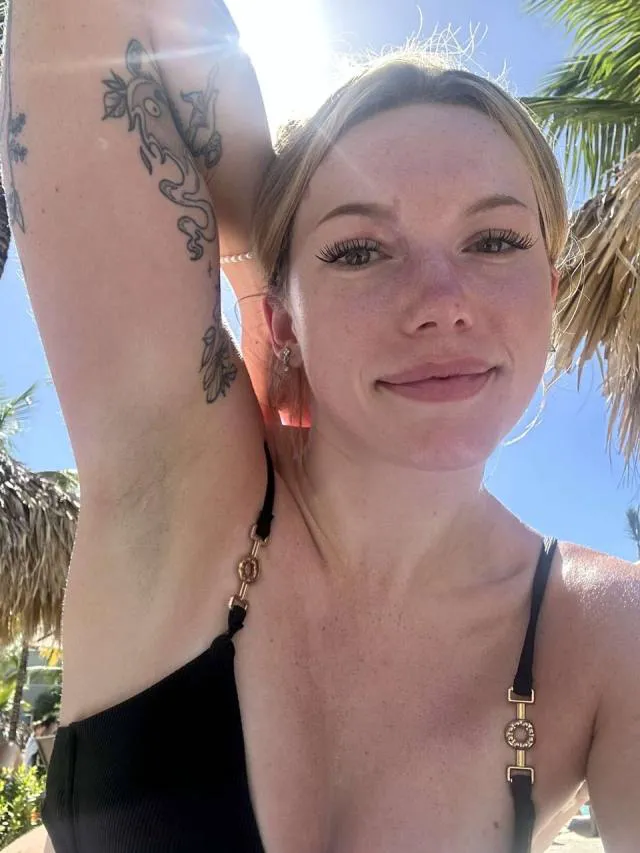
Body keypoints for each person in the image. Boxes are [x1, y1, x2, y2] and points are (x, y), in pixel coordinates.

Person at [3, 1, 639, 851]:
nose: (442, 303)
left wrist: (303, 244)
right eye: (359, 250)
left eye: (493, 240)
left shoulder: (608, 631)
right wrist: (257, 273)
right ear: (287, 319)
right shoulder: (183, 474)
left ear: (550, 292)